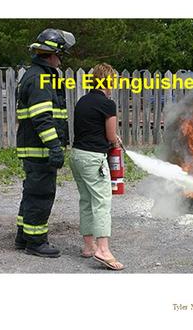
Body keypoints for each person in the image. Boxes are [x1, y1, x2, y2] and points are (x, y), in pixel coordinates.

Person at [14, 28, 76, 257]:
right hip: (40, 150)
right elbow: (42, 117)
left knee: (32, 193)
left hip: (35, 149)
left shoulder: (35, 75)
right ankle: (36, 242)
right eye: (60, 55)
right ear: (52, 54)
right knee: (41, 194)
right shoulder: (40, 78)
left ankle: (24, 236)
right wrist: (54, 147)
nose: (61, 61)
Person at [70, 63, 124, 270]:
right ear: (108, 81)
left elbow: (90, 128)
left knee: (86, 200)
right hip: (94, 159)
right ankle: (102, 249)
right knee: (102, 202)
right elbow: (110, 136)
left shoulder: (82, 101)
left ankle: (88, 246)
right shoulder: (107, 104)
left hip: (77, 156)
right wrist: (115, 142)